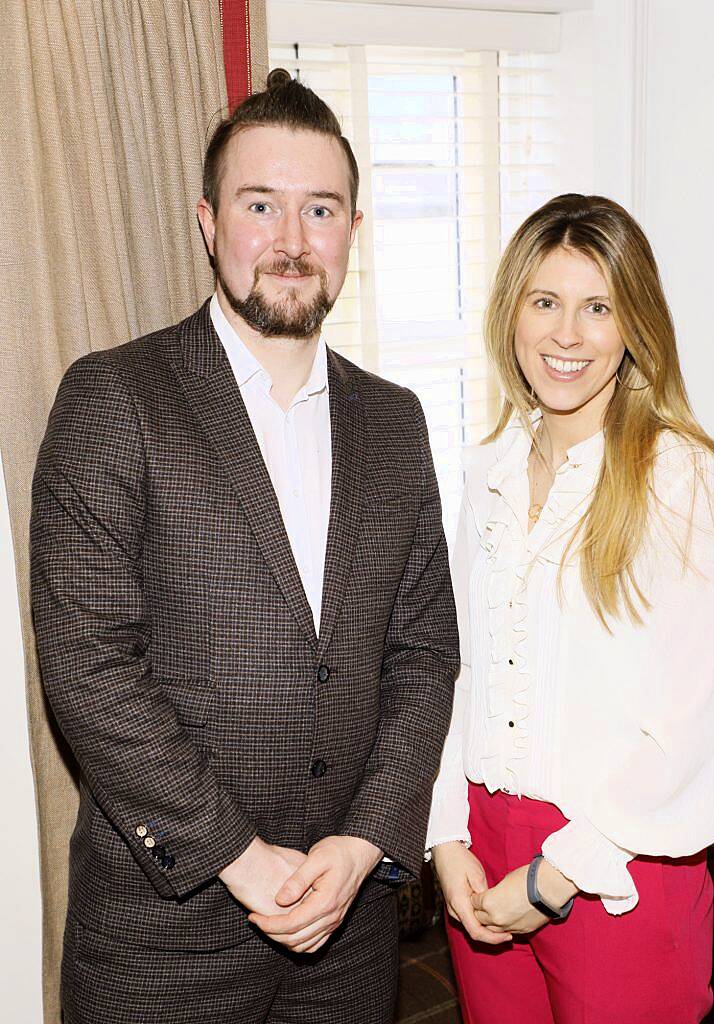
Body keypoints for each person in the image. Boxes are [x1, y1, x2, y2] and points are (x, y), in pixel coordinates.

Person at [30, 68, 458, 1024]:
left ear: (354, 229)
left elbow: (424, 653)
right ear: (208, 221)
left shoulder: (397, 423)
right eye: (261, 204)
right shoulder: (115, 398)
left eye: (321, 209)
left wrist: (362, 846)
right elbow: (89, 666)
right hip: (161, 938)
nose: (292, 240)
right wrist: (237, 856)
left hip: (350, 937)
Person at [426, 193, 714, 1023]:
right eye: (545, 302)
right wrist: (444, 838)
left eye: (597, 307)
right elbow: (452, 668)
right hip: (484, 851)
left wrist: (554, 876)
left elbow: (691, 728)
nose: (566, 335)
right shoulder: (488, 470)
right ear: (513, 314)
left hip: (618, 863)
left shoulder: (682, 481)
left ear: (632, 325)